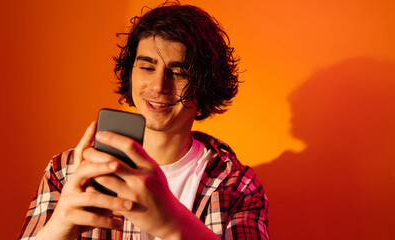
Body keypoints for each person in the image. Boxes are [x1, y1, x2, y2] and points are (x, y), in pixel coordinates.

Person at [18, 3, 269, 240]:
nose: (160, 86)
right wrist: (57, 230)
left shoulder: (236, 184)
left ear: (205, 85)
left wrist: (172, 223)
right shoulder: (66, 171)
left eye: (179, 73)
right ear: (131, 74)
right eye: (147, 68)